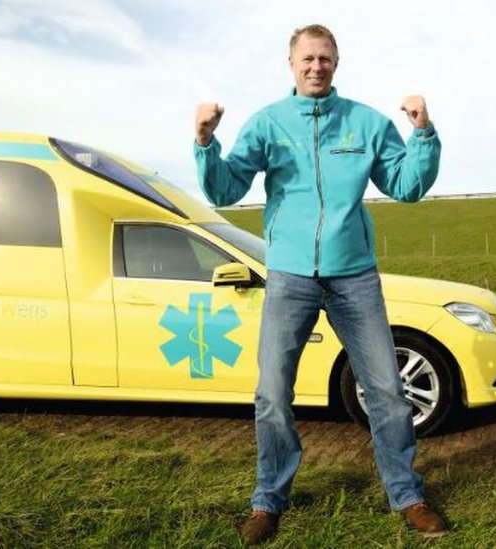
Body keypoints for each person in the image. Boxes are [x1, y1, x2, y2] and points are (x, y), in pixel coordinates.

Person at [192, 24, 446, 545]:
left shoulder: (367, 124)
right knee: (272, 395)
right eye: (308, 58)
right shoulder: (268, 124)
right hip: (288, 276)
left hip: (354, 275)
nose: (316, 67)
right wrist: (204, 142)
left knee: (389, 393)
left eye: (326, 58)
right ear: (291, 64)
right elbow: (225, 186)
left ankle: (408, 495)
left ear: (337, 63)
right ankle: (268, 502)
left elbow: (407, 186)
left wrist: (423, 134)